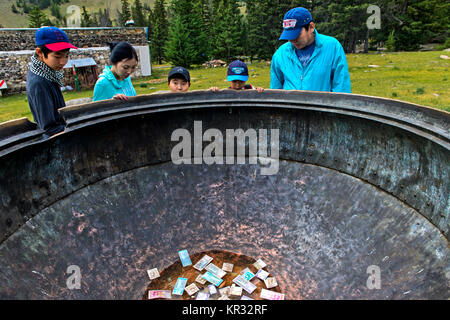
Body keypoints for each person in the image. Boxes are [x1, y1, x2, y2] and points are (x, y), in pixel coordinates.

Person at [270, 7, 351, 93]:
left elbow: (342, 87)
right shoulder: (280, 54)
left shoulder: (333, 47)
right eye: (289, 36)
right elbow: (275, 91)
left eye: (297, 35)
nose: (292, 40)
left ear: (311, 27)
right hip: (290, 106)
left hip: (321, 106)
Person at [26, 26, 78, 139]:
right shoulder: (39, 83)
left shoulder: (48, 73)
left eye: (66, 56)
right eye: (57, 56)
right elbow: (49, 128)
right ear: (40, 52)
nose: (63, 62)